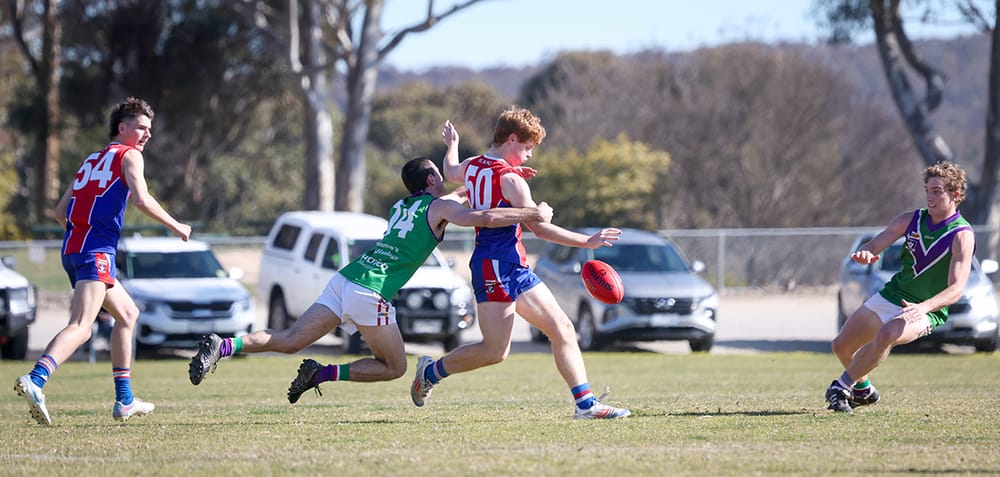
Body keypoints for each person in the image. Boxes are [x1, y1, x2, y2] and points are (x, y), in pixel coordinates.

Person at [187, 122, 553, 405]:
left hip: (346, 279)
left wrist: (500, 170)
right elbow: (486, 217)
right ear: (430, 180)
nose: (444, 181)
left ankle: (223, 346)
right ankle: (323, 374)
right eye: (439, 177)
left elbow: (464, 189)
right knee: (396, 367)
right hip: (371, 291)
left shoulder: (400, 206)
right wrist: (531, 211)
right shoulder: (438, 206)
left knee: (289, 339)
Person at [411, 109, 632, 420]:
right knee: (495, 352)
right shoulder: (512, 180)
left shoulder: (475, 165)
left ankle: (586, 405)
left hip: (514, 267)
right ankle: (431, 371)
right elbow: (539, 227)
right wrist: (586, 241)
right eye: (528, 147)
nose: (529, 156)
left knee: (563, 329)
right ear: (512, 139)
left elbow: (450, 172)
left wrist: (452, 145)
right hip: (495, 267)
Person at [14, 97, 193, 425]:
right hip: (95, 252)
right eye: (140, 127)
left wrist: (82, 233)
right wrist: (177, 226)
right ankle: (36, 381)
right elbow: (141, 199)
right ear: (121, 128)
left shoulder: (91, 160)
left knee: (127, 314)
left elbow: (59, 212)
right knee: (82, 327)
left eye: (149, 129)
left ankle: (124, 400)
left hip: (74, 250)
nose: (146, 135)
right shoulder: (130, 156)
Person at [825, 161, 975, 413]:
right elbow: (874, 246)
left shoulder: (961, 234)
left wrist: (923, 308)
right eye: (928, 190)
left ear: (956, 195)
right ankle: (863, 390)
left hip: (927, 309)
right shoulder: (910, 220)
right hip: (893, 294)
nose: (930, 196)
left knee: (887, 335)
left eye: (937, 191)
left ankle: (840, 388)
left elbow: (957, 289)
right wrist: (865, 254)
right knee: (841, 346)